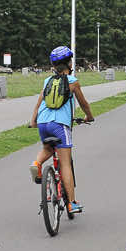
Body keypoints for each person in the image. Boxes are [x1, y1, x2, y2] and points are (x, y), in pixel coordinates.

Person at [28, 46, 95, 214]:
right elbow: (83, 103)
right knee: (65, 163)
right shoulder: (72, 81)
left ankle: (36, 163)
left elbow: (39, 103)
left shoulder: (47, 81)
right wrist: (89, 117)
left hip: (43, 123)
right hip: (60, 125)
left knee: (47, 148)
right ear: (69, 63)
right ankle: (72, 203)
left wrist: (33, 121)